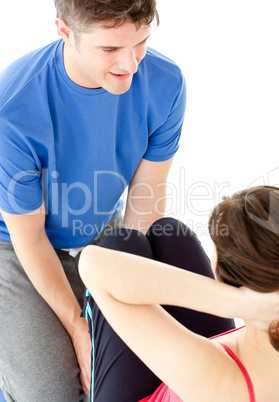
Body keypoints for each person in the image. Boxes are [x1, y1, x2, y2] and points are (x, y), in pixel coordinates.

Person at [0, 1, 186, 401]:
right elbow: (28, 237)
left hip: (101, 230)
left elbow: (146, 193)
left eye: (141, 43)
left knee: (141, 368)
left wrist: (120, 293)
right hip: (13, 245)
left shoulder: (166, 82)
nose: (131, 65)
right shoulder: (12, 108)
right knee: (57, 394)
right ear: (65, 32)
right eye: (110, 50)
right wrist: (80, 329)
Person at [79, 185, 279, 402]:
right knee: (168, 231)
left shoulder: (221, 382)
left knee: (120, 244)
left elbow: (94, 265)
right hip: (203, 371)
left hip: (157, 392)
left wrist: (240, 303)